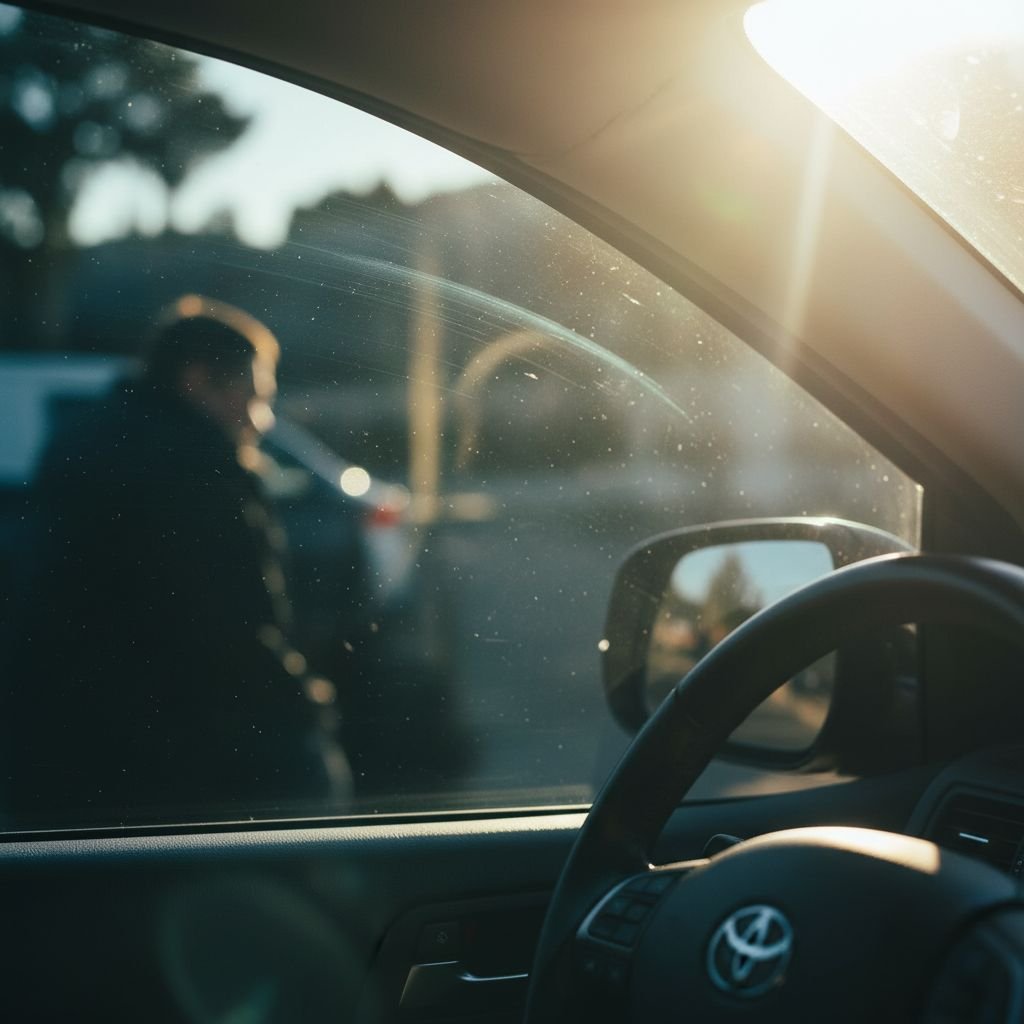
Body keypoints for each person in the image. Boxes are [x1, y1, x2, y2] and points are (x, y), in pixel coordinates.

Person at [1, 296, 350, 825]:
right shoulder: (199, 471)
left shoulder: (81, 439)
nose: (260, 421)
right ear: (196, 380)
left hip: (58, 740)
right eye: (253, 397)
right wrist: (305, 705)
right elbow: (233, 629)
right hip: (166, 750)